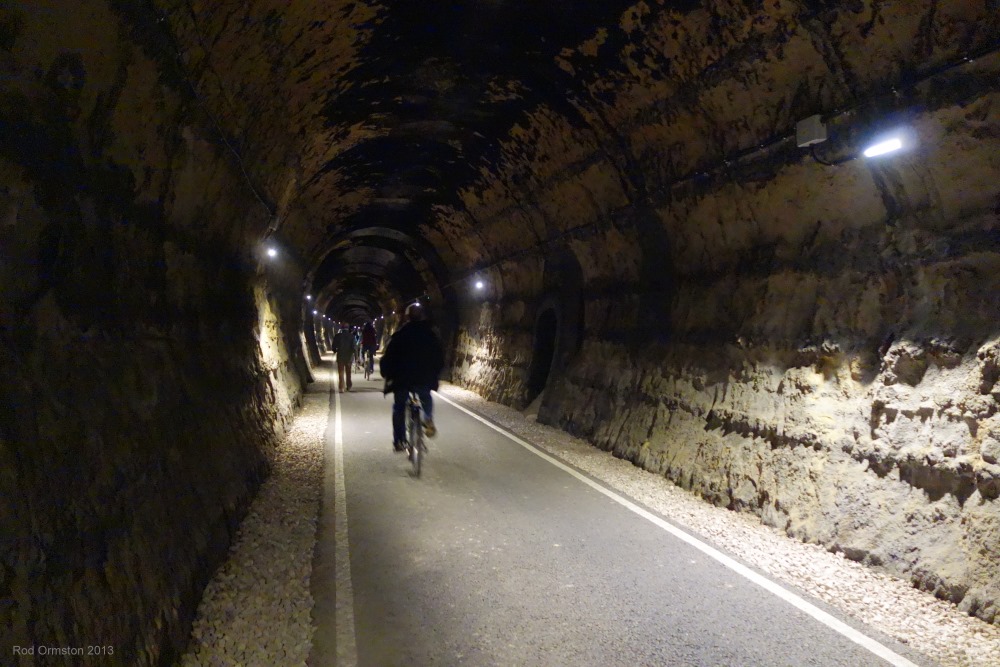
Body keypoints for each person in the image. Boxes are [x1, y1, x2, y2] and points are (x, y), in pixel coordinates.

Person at [379, 303, 444, 451]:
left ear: (407, 317)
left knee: (399, 407)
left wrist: (387, 373)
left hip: (402, 379)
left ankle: (399, 440)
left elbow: (389, 357)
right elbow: (439, 357)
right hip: (423, 377)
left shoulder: (400, 334)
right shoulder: (430, 335)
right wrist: (435, 374)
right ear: (423, 316)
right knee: (425, 397)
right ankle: (427, 418)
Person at [332, 326, 355, 393]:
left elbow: (334, 346)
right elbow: (354, 347)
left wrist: (335, 350)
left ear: (341, 329)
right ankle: (349, 386)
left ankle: (341, 387)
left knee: (341, 372)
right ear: (348, 329)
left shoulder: (337, 336)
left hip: (340, 356)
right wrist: (355, 355)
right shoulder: (351, 336)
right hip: (349, 357)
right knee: (348, 372)